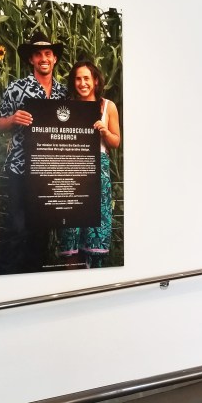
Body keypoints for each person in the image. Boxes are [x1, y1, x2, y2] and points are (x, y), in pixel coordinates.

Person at [0, 32, 67, 274]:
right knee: (17, 226)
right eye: (38, 54)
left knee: (41, 227)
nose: (43, 58)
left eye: (48, 54)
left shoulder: (63, 93)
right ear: (31, 60)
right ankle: (5, 275)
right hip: (20, 167)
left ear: (54, 58)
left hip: (49, 169)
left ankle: (34, 275)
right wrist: (13, 119)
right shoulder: (16, 88)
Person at [58, 60, 121, 268]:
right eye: (78, 79)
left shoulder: (108, 107)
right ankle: (70, 275)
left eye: (86, 78)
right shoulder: (66, 107)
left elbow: (116, 142)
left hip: (98, 173)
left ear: (95, 81)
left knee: (96, 225)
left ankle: (94, 275)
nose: (82, 83)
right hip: (72, 170)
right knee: (71, 226)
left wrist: (104, 131)